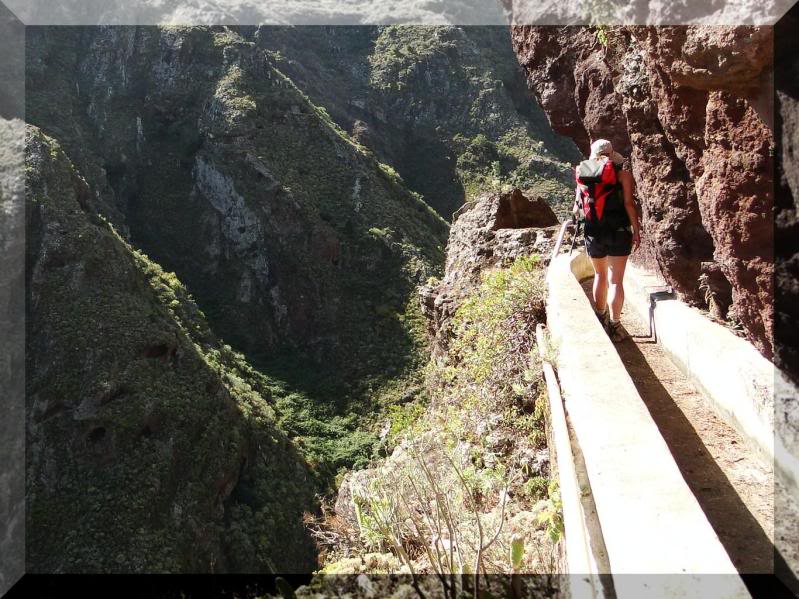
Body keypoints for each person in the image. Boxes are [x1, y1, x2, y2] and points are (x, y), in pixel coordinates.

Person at [573, 139, 641, 342]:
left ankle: (600, 316)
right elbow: (629, 204)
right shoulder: (623, 175)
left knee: (600, 276)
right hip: (619, 231)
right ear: (612, 155)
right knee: (616, 281)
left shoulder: (583, 177)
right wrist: (636, 230)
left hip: (594, 232)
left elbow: (577, 209)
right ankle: (615, 324)